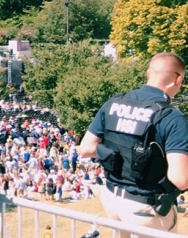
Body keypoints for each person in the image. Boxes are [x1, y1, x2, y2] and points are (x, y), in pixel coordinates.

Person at [78, 53, 188, 232]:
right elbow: (180, 179)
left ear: (148, 73)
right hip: (146, 207)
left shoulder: (113, 103)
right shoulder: (173, 118)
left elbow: (85, 148)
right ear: (178, 80)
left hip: (112, 200)